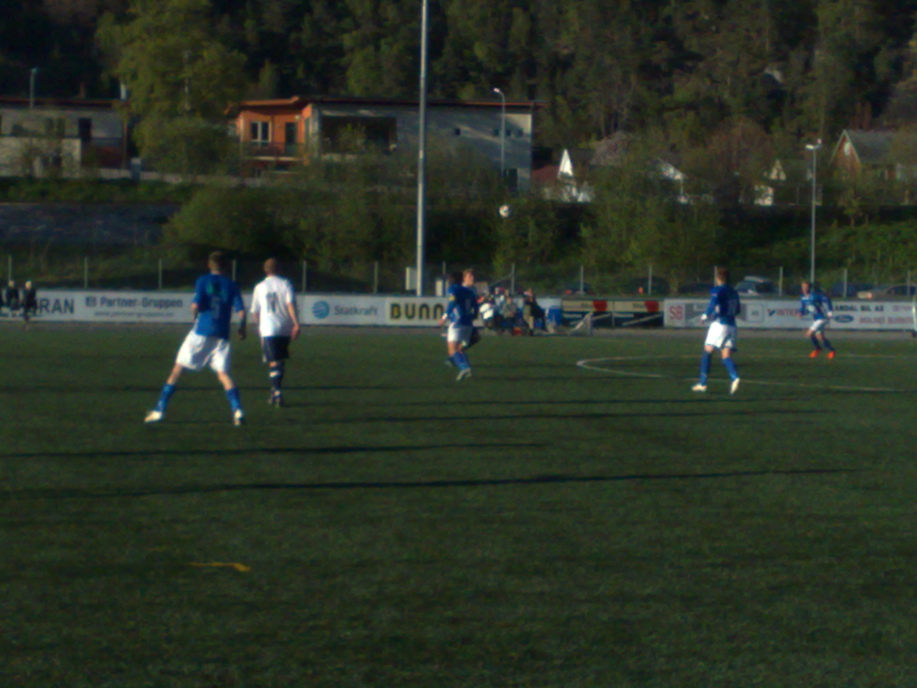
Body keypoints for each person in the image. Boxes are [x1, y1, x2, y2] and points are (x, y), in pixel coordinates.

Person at [145, 251, 247, 425]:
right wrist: (242, 328)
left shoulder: (203, 280)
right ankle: (237, 410)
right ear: (226, 266)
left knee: (178, 369)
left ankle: (160, 409)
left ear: (209, 265)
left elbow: (195, 305)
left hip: (201, 332)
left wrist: (194, 316)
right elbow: (241, 310)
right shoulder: (231, 285)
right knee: (223, 374)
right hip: (222, 336)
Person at [251, 257, 301, 407]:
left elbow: (255, 311)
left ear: (265, 270)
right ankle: (274, 393)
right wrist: (296, 323)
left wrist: (259, 328)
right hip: (285, 327)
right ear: (279, 269)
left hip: (268, 328)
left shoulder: (259, 286)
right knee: (279, 359)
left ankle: (277, 393)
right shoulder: (285, 283)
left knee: (274, 361)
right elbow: (290, 304)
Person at [693, 267, 741, 394]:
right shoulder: (734, 292)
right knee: (726, 356)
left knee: (708, 350)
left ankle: (703, 383)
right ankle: (735, 377)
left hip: (720, 325)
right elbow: (738, 310)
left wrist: (705, 316)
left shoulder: (717, 290)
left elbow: (713, 302)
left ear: (717, 278)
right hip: (732, 326)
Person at [438, 269, 478, 381]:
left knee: (452, 350)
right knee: (460, 349)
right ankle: (466, 367)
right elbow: (475, 306)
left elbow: (452, 302)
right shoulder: (470, 291)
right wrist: (473, 316)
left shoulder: (454, 288)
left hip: (457, 322)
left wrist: (444, 317)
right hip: (468, 323)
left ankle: (464, 368)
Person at [798, 280, 835, 359]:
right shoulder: (803, 297)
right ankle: (831, 350)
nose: (804, 288)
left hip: (822, 318)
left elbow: (827, 299)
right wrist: (800, 313)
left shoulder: (815, 296)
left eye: (806, 287)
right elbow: (803, 307)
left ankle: (818, 349)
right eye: (803, 287)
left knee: (809, 334)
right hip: (816, 319)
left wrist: (830, 311)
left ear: (809, 288)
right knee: (820, 337)